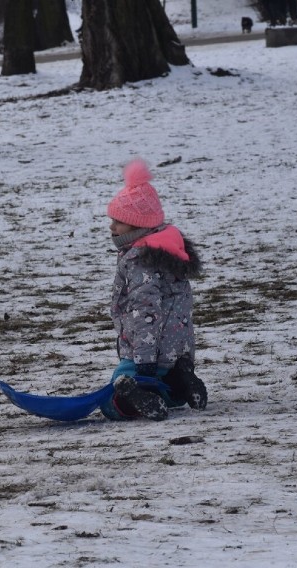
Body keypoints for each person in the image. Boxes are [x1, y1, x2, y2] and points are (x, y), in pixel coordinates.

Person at [99, 158, 207, 421]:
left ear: (138, 226)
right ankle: (181, 381)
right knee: (170, 393)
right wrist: (183, 358)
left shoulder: (139, 260)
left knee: (111, 399)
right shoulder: (169, 251)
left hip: (145, 353)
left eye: (119, 221)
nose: (112, 227)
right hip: (175, 350)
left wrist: (143, 364)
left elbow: (145, 313)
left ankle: (133, 397)